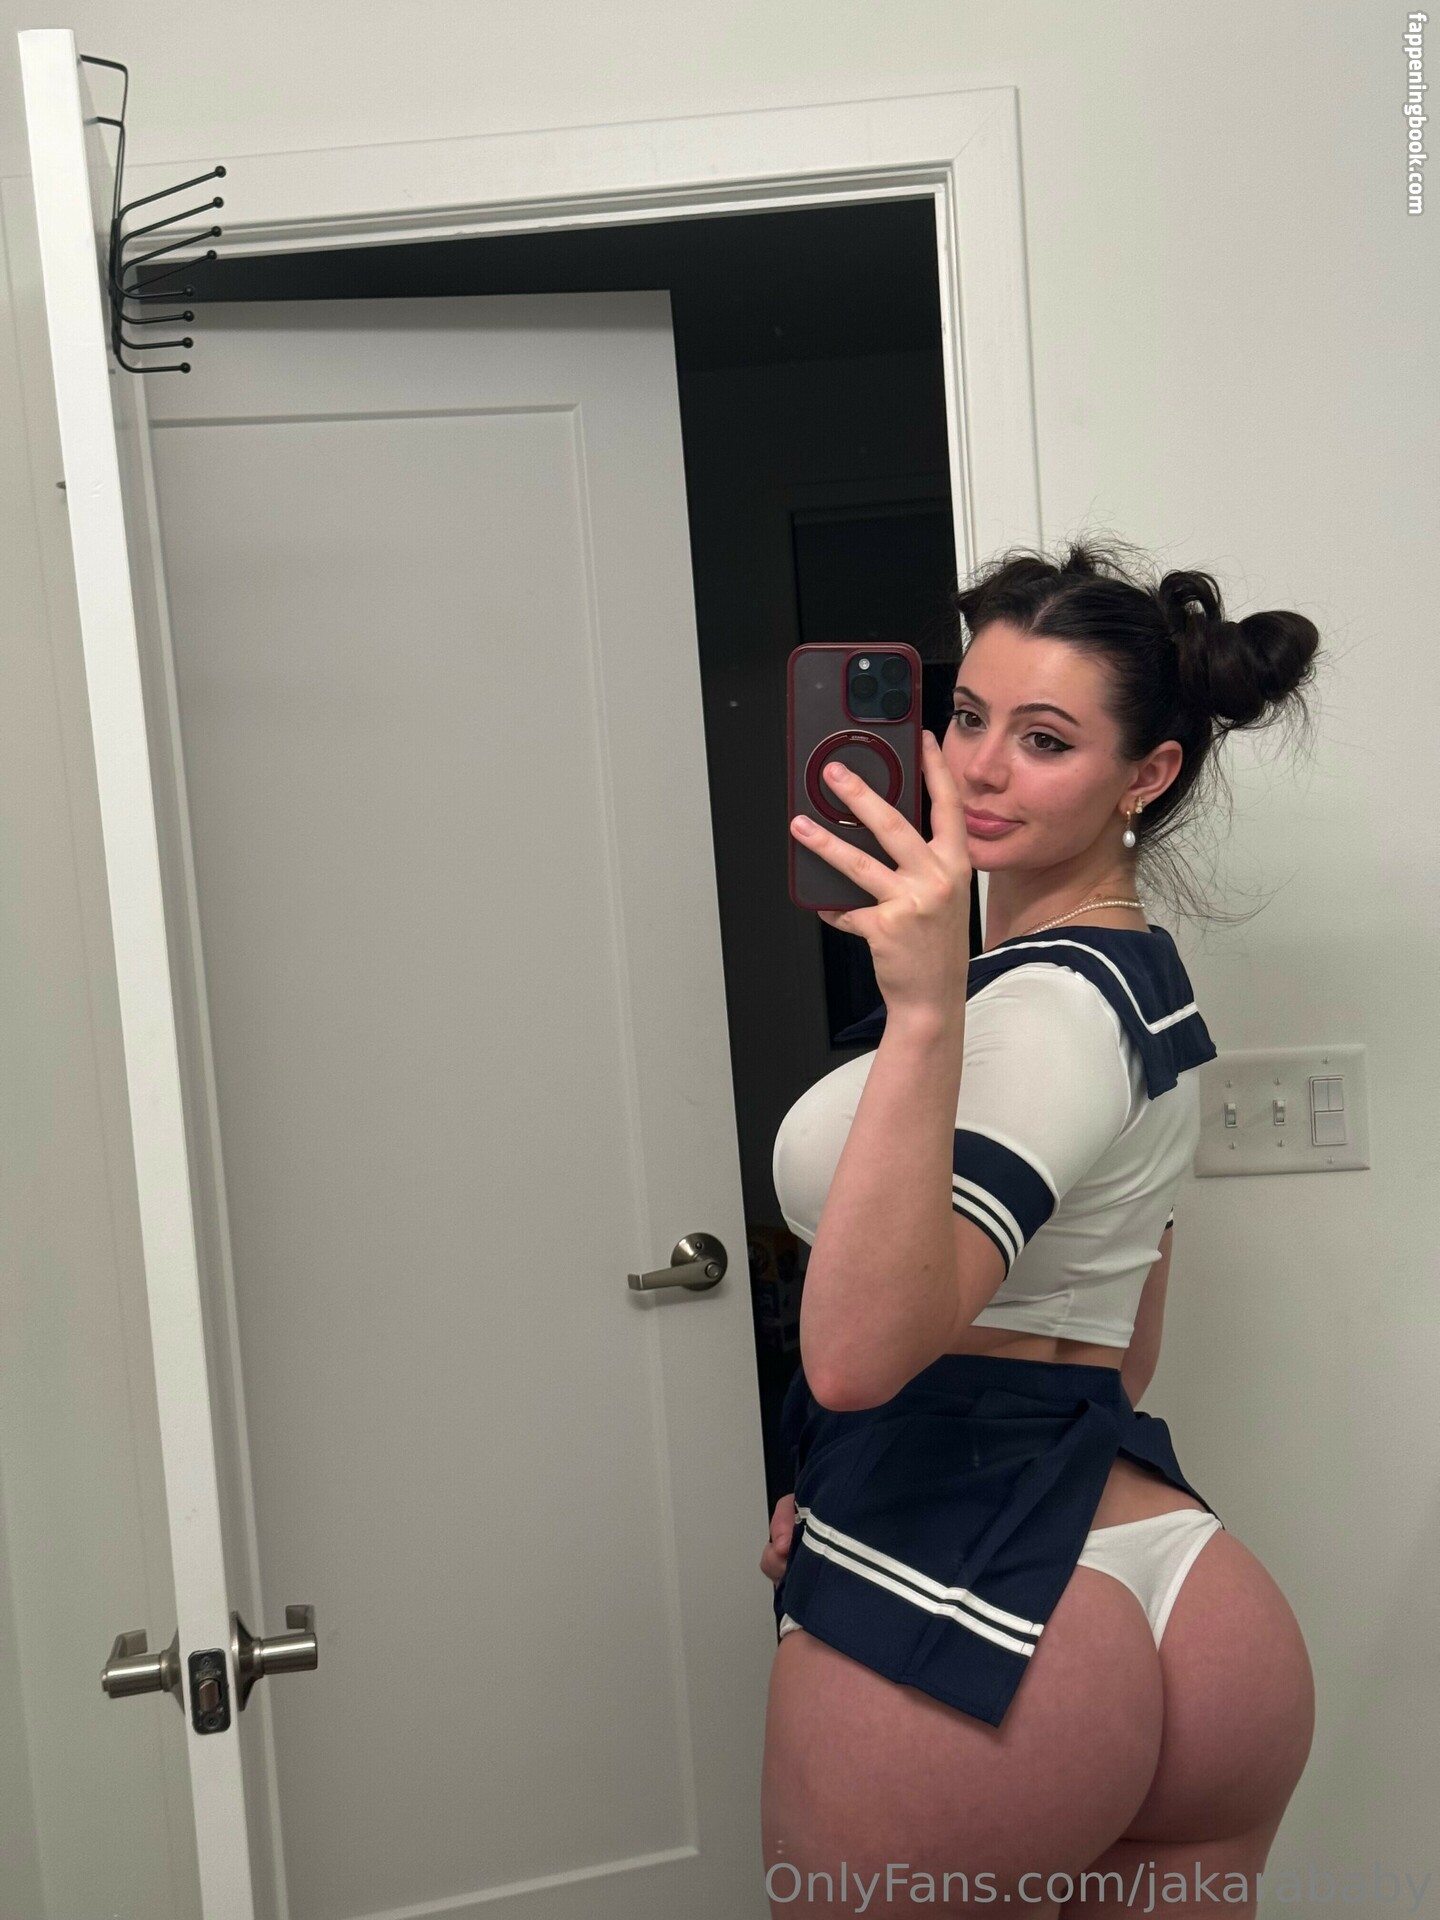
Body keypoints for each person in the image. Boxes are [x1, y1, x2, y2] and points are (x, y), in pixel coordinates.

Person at [759, 539, 1319, 1919]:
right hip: (1180, 1585)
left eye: (1047, 739)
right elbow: (1121, 1345)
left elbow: (855, 1362)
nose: (981, 768)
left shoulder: (1040, 1009)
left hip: (982, 1596)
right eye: (968, 718)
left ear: (1148, 775)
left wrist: (925, 1008)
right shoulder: (1135, 989)